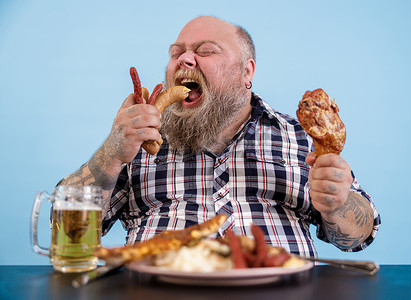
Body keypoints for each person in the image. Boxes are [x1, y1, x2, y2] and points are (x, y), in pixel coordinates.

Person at [59, 16, 380, 257]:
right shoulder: (135, 141)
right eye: (176, 53)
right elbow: (68, 233)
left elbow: (358, 237)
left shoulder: (300, 135)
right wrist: (110, 155)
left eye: (205, 51)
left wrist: (337, 205)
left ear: (247, 72)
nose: (184, 59)